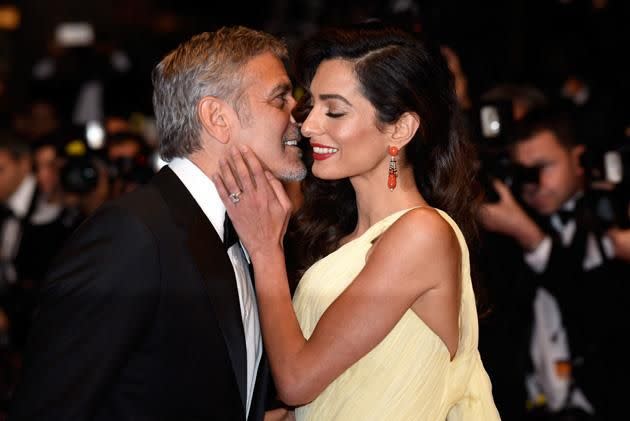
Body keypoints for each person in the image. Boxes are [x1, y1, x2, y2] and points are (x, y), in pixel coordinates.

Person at [9, 26, 305, 420]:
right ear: (217, 118)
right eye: (280, 98)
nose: (300, 116)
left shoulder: (252, 233)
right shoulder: (130, 236)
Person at [215, 24, 500, 420]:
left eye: (335, 111)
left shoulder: (422, 234)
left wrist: (265, 250)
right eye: (310, 105)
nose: (309, 125)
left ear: (399, 128)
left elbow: (297, 380)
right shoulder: (345, 238)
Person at [478, 107, 627, 419]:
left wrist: (531, 238)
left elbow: (596, 313)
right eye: (522, 171)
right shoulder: (504, 232)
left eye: (543, 167)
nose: (533, 182)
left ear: (578, 159)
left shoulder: (613, 219)